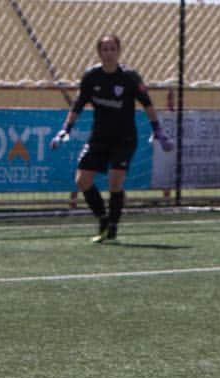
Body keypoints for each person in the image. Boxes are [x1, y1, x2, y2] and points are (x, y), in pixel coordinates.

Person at [50, 33, 173, 244]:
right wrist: (65, 129)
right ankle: (103, 219)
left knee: (115, 183)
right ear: (99, 52)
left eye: (112, 49)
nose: (108, 53)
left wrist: (157, 130)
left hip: (124, 139)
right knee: (82, 180)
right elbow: (78, 104)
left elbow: (148, 104)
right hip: (98, 137)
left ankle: (113, 227)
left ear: (119, 51)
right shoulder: (91, 76)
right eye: (104, 49)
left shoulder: (130, 77)